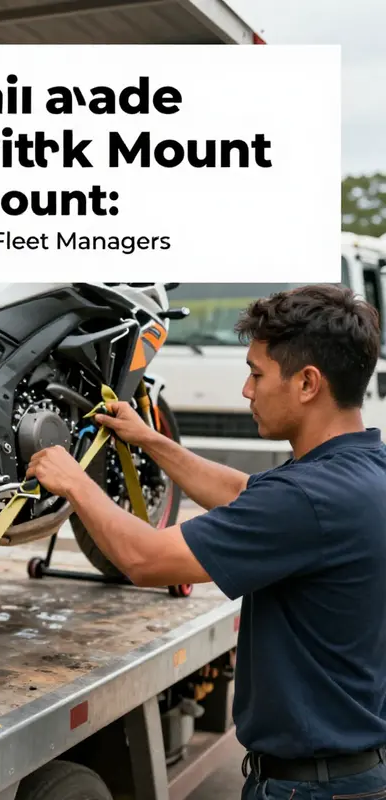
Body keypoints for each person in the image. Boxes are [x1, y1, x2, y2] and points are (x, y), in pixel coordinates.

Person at [26, 284, 386, 799]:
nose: (246, 390)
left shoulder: (308, 498)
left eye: (257, 374)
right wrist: (151, 440)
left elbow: (145, 559)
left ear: (308, 383)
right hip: (348, 772)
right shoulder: (362, 469)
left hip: (311, 788)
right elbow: (243, 492)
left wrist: (74, 482)